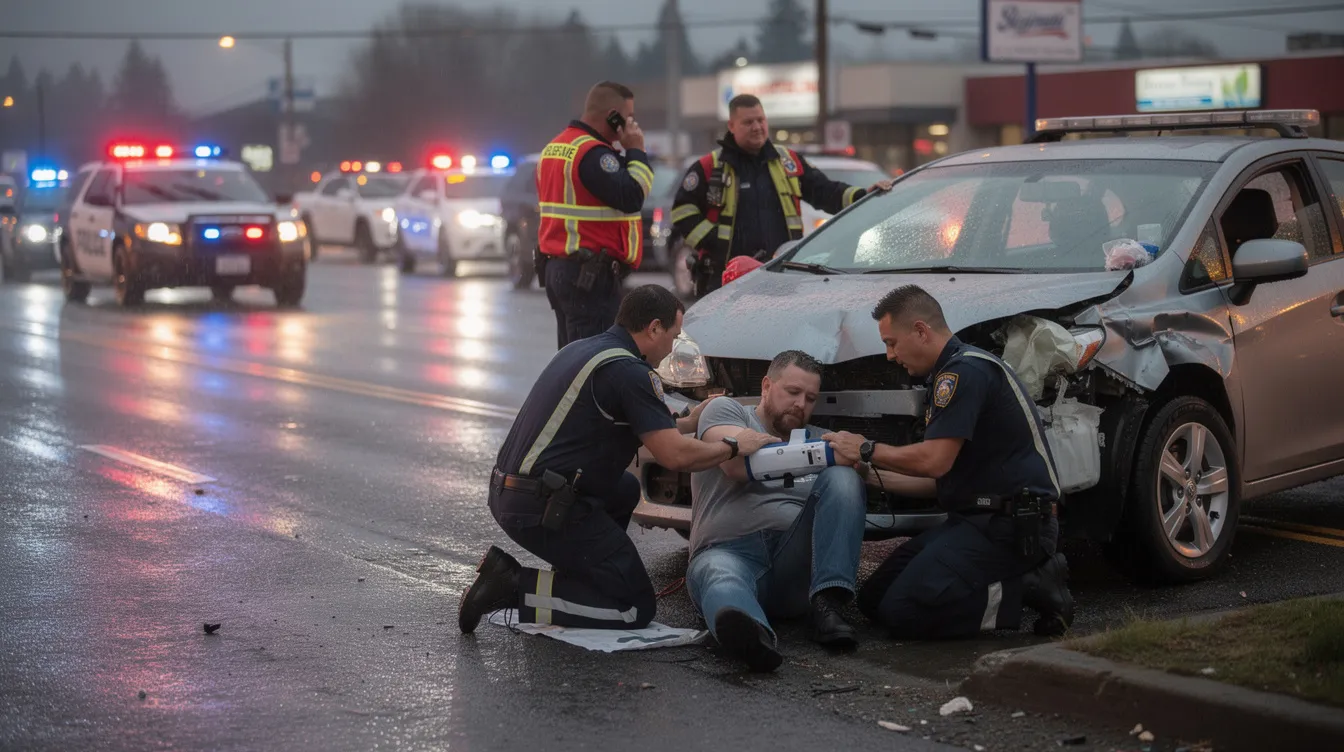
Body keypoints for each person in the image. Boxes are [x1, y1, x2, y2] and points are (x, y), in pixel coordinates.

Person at [459, 285, 779, 634]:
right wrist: (734, 445)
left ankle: (576, 577)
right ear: (654, 328)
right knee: (632, 608)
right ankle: (511, 585)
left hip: (516, 494)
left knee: (624, 487)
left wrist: (690, 419)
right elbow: (673, 455)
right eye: (674, 335)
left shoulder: (587, 350)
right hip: (540, 507)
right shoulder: (630, 372)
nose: (674, 346)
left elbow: (638, 423)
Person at [823, 285, 1076, 639]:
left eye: (892, 342)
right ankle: (1001, 585)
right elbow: (942, 481)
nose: (890, 355)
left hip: (1012, 527)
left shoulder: (963, 373)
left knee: (901, 611)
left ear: (921, 331)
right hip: (977, 519)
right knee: (873, 599)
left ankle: (1029, 588)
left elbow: (934, 462)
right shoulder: (955, 371)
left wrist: (866, 449)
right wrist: (865, 474)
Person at [686, 350, 927, 671]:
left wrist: (866, 463)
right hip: (728, 552)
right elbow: (736, 464)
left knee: (844, 476)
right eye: (793, 392)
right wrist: (826, 456)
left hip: (795, 565)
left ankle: (828, 604)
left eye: (811, 397)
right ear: (767, 386)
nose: (801, 403)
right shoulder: (727, 412)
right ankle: (751, 637)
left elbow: (896, 476)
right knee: (720, 576)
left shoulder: (823, 439)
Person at [670, 93, 893, 297]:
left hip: (781, 276)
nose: (757, 127)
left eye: (761, 120)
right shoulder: (710, 167)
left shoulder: (788, 162)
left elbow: (825, 192)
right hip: (726, 279)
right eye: (748, 122)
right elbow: (682, 211)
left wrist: (862, 195)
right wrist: (714, 240)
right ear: (731, 126)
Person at [536, 81, 656, 349]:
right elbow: (632, 196)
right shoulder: (594, 155)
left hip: (563, 268)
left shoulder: (556, 147)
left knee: (571, 356)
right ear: (613, 116)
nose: (631, 124)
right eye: (628, 118)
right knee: (593, 361)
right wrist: (636, 150)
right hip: (588, 276)